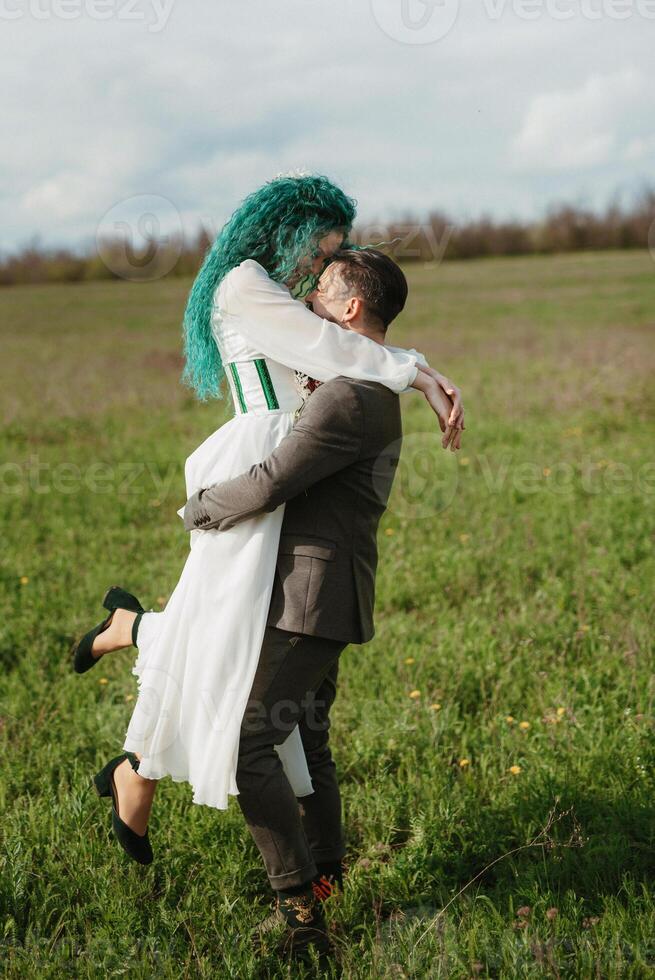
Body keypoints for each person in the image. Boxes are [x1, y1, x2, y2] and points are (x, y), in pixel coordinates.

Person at [72, 175, 463, 877]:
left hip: (287, 458)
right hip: (257, 463)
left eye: (328, 259)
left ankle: (136, 734)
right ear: (287, 231)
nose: (319, 266)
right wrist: (421, 372)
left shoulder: (279, 291)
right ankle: (141, 752)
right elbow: (343, 350)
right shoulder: (247, 283)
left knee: (225, 635)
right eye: (321, 250)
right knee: (221, 636)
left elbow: (345, 340)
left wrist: (416, 368)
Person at [181, 247, 456, 957]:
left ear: (350, 308)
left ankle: (302, 916)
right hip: (329, 592)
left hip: (307, 601)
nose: (307, 305)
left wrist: (199, 508)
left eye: (321, 294)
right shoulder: (366, 389)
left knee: (246, 744)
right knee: (306, 735)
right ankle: (329, 876)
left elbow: (271, 480)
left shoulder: (346, 396)